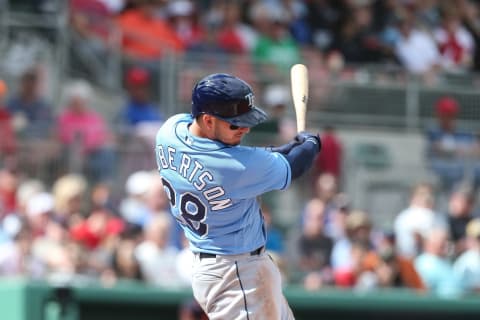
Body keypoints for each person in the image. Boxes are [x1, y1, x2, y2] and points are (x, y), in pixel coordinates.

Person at [154, 73, 321, 319]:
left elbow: (251, 160)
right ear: (208, 120)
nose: (244, 128)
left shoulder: (169, 131)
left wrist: (283, 149)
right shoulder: (234, 167)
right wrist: (310, 142)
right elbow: (297, 164)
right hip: (235, 272)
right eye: (235, 123)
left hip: (222, 266)